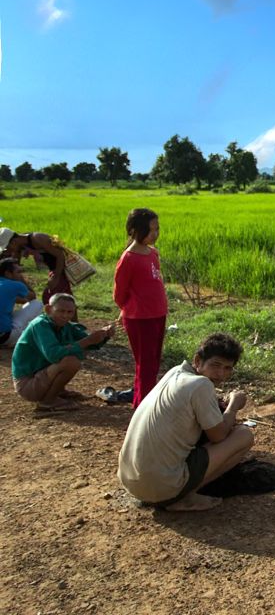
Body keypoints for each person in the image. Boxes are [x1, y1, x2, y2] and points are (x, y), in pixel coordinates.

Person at [117, 333, 255, 512]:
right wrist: (234, 405)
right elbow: (218, 435)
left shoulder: (176, 372)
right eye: (216, 365)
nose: (221, 374)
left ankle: (176, 489)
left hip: (131, 481)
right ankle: (183, 496)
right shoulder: (201, 385)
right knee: (244, 435)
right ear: (198, 360)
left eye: (228, 368)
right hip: (160, 488)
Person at [11, 293, 114, 412]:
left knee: (73, 354)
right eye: (61, 311)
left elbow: (91, 344)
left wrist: (105, 335)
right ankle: (48, 402)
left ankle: (58, 392)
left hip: (40, 376)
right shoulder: (40, 325)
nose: (65, 316)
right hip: (28, 384)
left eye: (69, 312)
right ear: (48, 309)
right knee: (71, 362)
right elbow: (54, 355)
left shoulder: (65, 326)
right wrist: (87, 341)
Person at [113, 208, 168, 409]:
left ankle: (144, 402)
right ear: (135, 230)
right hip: (140, 318)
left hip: (158, 314)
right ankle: (143, 408)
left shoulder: (152, 253)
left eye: (157, 229)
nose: (155, 234)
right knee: (145, 365)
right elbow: (120, 293)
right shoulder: (128, 259)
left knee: (153, 362)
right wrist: (126, 309)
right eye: (151, 230)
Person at [0, 227, 71, 305]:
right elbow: (14, 265)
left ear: (13, 241)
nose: (8, 250)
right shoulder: (21, 246)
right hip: (54, 270)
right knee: (57, 298)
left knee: (55, 299)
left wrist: (56, 277)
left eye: (7, 247)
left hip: (61, 268)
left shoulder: (38, 238)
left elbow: (60, 255)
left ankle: (67, 315)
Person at [0, 258, 43, 347]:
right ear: (8, 273)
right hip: (4, 337)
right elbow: (32, 297)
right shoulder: (16, 285)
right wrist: (22, 280)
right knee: (37, 304)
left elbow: (10, 298)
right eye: (18, 272)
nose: (20, 275)